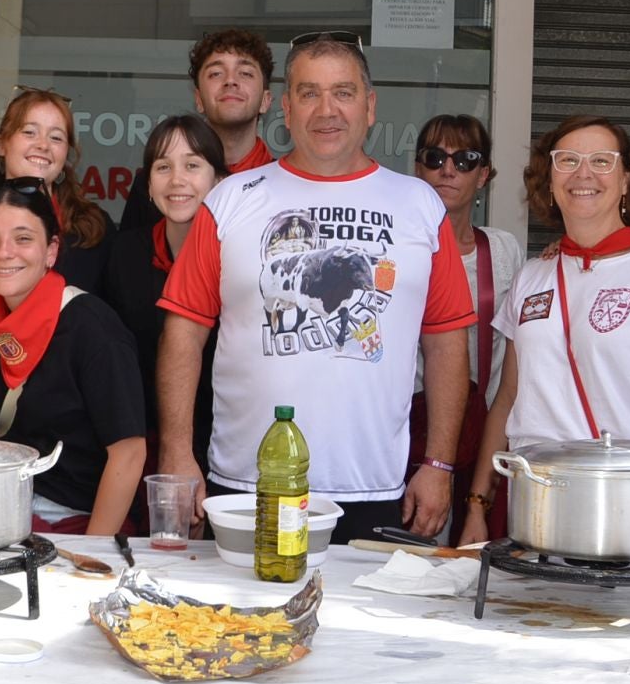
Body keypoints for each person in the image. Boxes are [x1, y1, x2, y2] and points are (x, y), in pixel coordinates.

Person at [156, 31, 476, 542]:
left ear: (369, 106)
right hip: (245, 483)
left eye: (343, 93)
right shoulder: (230, 200)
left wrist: (439, 463)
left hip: (373, 488)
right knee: (240, 620)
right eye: (309, 93)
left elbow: (446, 342)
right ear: (285, 106)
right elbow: (184, 331)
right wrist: (176, 450)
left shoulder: (418, 205)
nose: (327, 110)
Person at [458, 117, 630, 547]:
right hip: (533, 505)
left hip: (629, 506)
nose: (583, 173)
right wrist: (477, 504)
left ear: (626, 180)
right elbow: (507, 401)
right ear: (549, 179)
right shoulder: (532, 277)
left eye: (601, 160)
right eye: (567, 160)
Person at [0, 179, 147, 535]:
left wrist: (91, 554)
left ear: (51, 251)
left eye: (23, 238)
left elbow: (129, 453)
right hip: (2, 509)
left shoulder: (92, 328)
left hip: (72, 521)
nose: (4, 252)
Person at [409, 114, 523, 530]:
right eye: (435, 157)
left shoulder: (504, 249)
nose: (449, 170)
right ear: (418, 168)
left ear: (484, 174)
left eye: (465, 159)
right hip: (412, 431)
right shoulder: (399, 248)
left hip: (485, 433)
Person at [103, 114, 229, 458]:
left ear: (218, 180)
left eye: (192, 165)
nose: (177, 180)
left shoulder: (240, 257)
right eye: (163, 167)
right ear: (147, 184)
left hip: (228, 444)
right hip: (139, 443)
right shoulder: (122, 255)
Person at [121, 29, 275, 235]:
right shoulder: (158, 184)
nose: (230, 81)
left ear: (266, 101)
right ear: (199, 99)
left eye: (245, 73)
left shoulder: (285, 186)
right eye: (216, 74)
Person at [0, 87, 114, 294]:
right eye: (30, 132)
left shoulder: (94, 228)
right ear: (1, 144)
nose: (43, 145)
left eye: (56, 138)